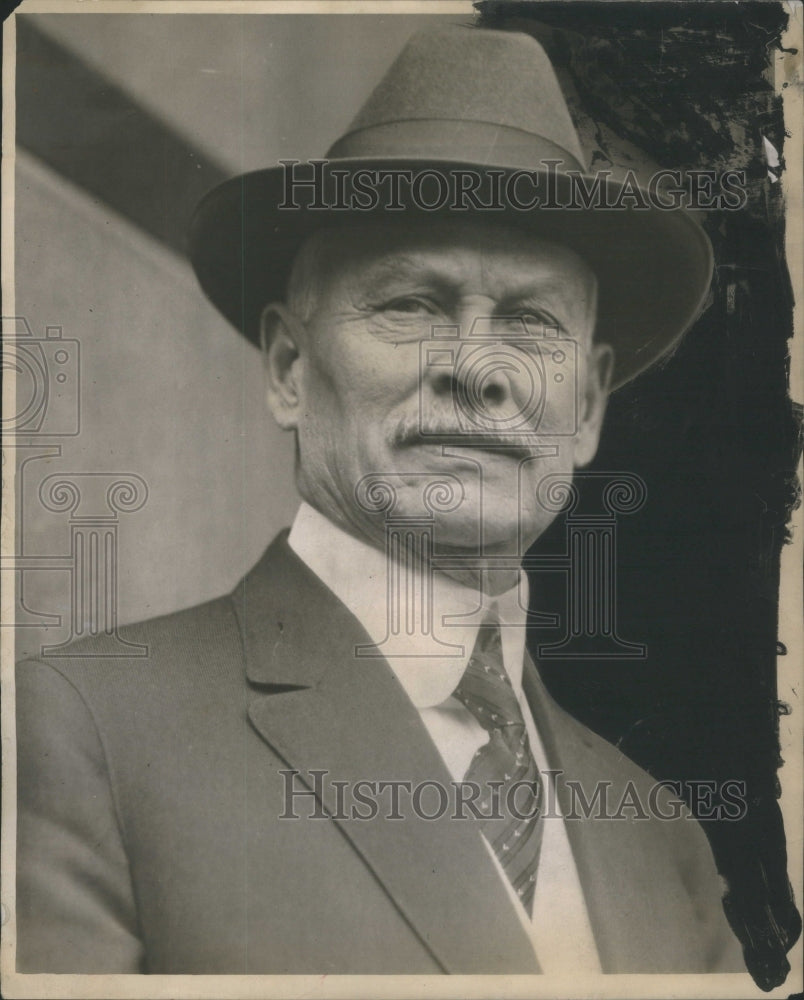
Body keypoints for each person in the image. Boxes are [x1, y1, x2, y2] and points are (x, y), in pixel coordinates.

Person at [16, 25, 744, 975]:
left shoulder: (662, 838)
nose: (478, 370)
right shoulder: (85, 734)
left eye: (529, 322)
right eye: (411, 305)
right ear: (287, 365)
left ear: (589, 407)